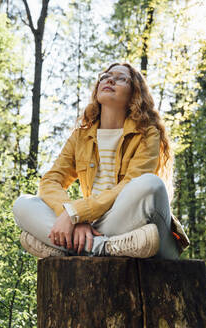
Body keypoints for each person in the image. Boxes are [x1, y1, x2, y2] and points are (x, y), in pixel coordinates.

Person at [12, 62, 189, 259]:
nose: (110, 79)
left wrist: (76, 213)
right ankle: (104, 248)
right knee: (23, 204)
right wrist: (72, 216)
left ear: (134, 93)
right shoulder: (80, 137)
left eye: (122, 78)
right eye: (105, 76)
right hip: (97, 227)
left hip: (129, 222)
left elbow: (130, 184)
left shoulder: (147, 133)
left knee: (151, 184)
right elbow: (51, 181)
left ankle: (69, 248)